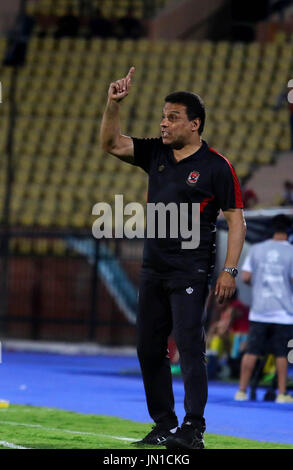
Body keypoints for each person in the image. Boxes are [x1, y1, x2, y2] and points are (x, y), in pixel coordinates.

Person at [100, 67, 246, 449]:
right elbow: (112, 144)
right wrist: (113, 104)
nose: (164, 123)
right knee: (149, 349)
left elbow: (236, 221)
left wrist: (229, 270)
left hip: (191, 268)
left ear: (194, 124)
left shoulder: (217, 166)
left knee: (189, 346)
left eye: (173, 117)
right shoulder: (156, 153)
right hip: (153, 268)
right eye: (163, 116)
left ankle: (193, 428)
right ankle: (164, 423)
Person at [235, 214, 293, 403]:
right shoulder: (291, 252)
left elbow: (245, 277)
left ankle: (241, 391)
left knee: (252, 351)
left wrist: (260, 285)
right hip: (284, 313)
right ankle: (282, 394)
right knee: (282, 354)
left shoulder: (257, 249)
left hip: (259, 310)